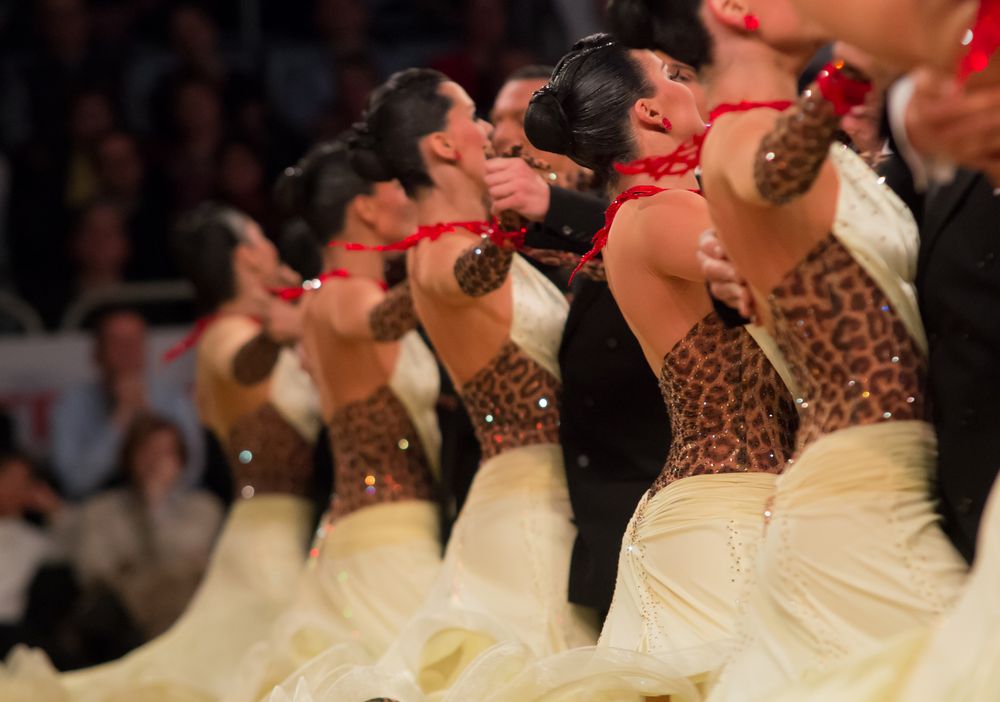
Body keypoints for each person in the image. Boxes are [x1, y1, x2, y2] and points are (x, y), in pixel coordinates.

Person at [443, 35, 800, 701]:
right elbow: (786, 263)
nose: (689, 83)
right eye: (671, 76)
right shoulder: (665, 214)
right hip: (724, 511)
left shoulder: (636, 217)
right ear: (652, 114)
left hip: (716, 502)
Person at [639, 1, 969, 699]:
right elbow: (770, 168)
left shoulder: (799, 137)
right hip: (857, 488)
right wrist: (855, 72)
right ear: (733, 11)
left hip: (887, 470)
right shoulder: (737, 135)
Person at [276, 68, 598, 701]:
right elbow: (466, 279)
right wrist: (512, 223)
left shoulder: (448, 247)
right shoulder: (443, 252)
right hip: (530, 503)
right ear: (445, 146)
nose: (488, 132)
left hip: (537, 493)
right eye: (475, 115)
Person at [27, 204, 323, 702]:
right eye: (260, 237)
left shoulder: (266, 326)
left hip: (296, 527)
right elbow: (245, 367)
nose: (273, 246)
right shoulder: (233, 334)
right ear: (247, 257)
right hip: (265, 534)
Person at [223, 138, 445, 701]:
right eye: (395, 187)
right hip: (387, 535)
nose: (406, 196)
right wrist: (451, 239)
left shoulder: (330, 294)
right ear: (365, 208)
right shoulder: (347, 295)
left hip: (372, 528)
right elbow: (410, 306)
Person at [485, 63, 672, 620]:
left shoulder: (639, 208)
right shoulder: (520, 242)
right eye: (495, 122)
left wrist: (555, 207)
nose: (506, 137)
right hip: (579, 516)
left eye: (522, 119)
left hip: (655, 498)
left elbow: (644, 233)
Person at [72, 414, 222, 641]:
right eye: (146, 452)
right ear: (129, 458)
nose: (155, 462)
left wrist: (156, 507)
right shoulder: (100, 509)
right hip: (124, 616)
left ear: (181, 461)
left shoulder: (203, 508)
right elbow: (92, 571)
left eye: (165, 453)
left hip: (190, 607)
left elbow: (185, 558)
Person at [50, 307, 204, 500]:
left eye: (133, 342)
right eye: (116, 342)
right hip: (100, 510)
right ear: (97, 352)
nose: (126, 351)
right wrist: (120, 419)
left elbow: (190, 475)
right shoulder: (71, 404)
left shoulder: (173, 400)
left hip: (167, 505)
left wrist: (148, 420)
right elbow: (75, 483)